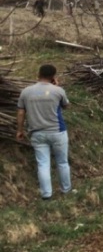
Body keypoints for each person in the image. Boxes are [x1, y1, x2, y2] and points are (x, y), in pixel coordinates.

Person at [16, 64, 72, 200]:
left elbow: (21, 112)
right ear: (53, 76)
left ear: (38, 74)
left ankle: (46, 194)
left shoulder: (26, 91)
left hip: (37, 133)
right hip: (58, 131)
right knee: (62, 162)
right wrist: (57, 86)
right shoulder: (58, 91)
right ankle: (66, 190)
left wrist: (20, 130)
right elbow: (66, 106)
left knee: (43, 163)